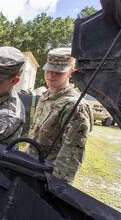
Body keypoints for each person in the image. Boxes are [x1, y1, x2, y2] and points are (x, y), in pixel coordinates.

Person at [26, 48, 93, 184]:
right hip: (30, 166)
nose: (51, 75)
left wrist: (54, 187)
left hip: (47, 175)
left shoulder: (74, 106)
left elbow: (71, 155)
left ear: (71, 72)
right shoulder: (46, 96)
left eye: (58, 72)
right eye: (49, 70)